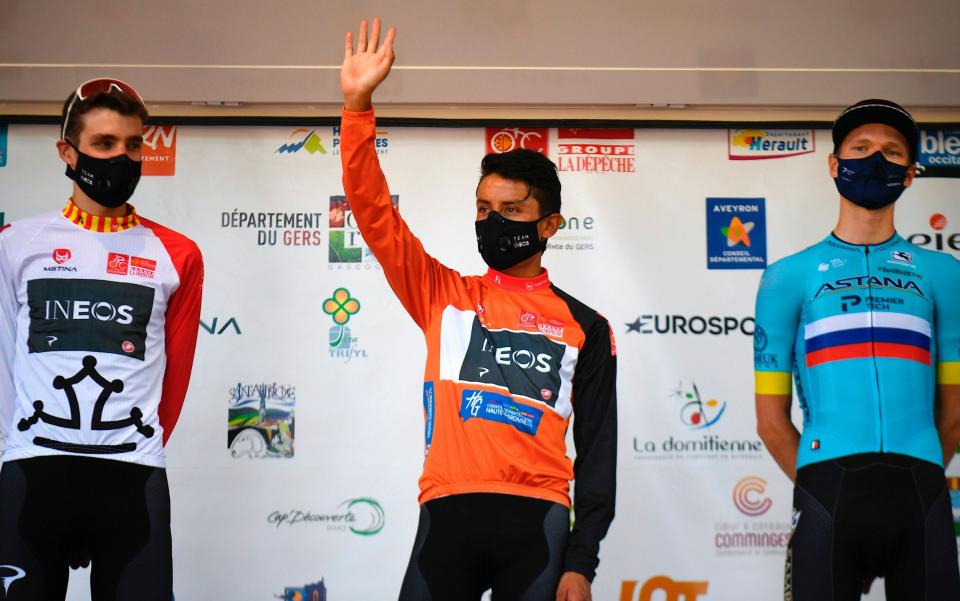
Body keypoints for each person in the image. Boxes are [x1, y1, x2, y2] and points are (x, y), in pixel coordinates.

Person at [339, 19, 617, 601]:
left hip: (538, 520)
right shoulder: (442, 292)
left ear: (550, 226)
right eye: (484, 207)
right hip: (447, 514)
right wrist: (358, 106)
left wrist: (582, 562)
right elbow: (372, 213)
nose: (493, 221)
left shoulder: (586, 326)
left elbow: (598, 454)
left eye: (511, 210)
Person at [0, 78, 204, 600]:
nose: (122, 157)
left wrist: (141, 446)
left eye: (134, 144)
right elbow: (3, 365)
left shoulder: (177, 254)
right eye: (104, 144)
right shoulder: (17, 244)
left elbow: (172, 382)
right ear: (67, 152)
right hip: (33, 476)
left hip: (131, 478)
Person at [754, 99, 960, 600]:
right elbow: (770, 419)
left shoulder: (945, 274)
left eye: (892, 153)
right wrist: (817, 482)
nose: (875, 160)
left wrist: (925, 463)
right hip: (829, 490)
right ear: (834, 165)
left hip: (922, 493)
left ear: (911, 173)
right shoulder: (787, 276)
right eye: (861, 148)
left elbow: (953, 412)